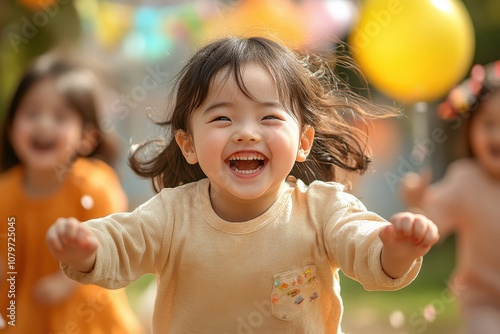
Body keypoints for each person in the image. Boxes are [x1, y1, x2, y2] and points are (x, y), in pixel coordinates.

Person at [46, 36, 439, 333]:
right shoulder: (172, 214)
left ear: (303, 142)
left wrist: (396, 249)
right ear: (189, 144)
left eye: (268, 118)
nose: (247, 133)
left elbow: (365, 250)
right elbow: (121, 243)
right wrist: (87, 249)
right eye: (222, 119)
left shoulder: (322, 210)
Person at [0, 51, 143, 333]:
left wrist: (65, 282)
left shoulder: (93, 185)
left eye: (60, 116)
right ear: (11, 128)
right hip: (27, 318)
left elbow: (111, 245)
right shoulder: (6, 192)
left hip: (88, 320)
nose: (44, 124)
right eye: (31, 113)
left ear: (87, 138)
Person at [401, 61, 500, 334]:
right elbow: (432, 222)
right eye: (488, 124)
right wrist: (417, 204)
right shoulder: (466, 180)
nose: (497, 135)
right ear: (471, 130)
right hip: (483, 302)